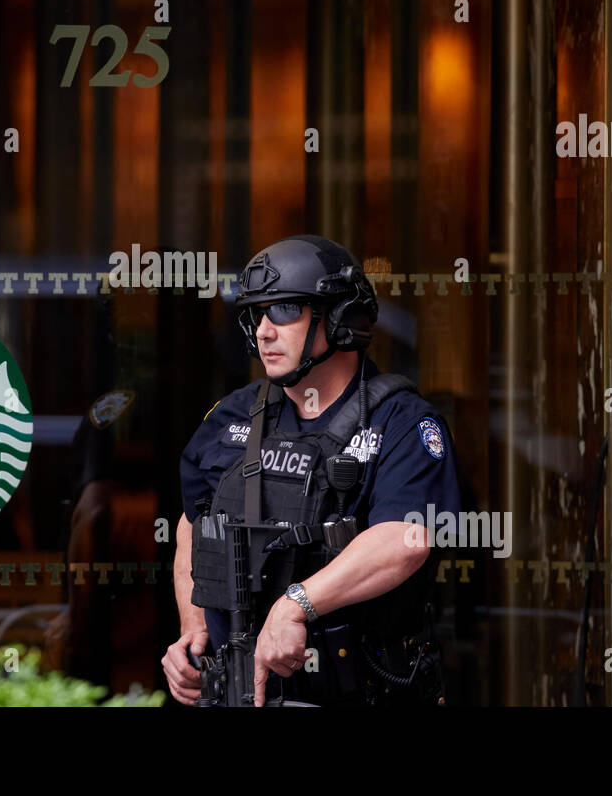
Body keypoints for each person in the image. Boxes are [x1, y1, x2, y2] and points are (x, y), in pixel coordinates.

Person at [161, 235, 461, 707]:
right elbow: (192, 521)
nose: (263, 330)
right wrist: (193, 625)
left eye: (282, 311)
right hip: (239, 692)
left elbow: (407, 539)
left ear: (340, 321)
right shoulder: (231, 416)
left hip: (357, 691)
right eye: (256, 314)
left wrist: (296, 604)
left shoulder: (401, 422)